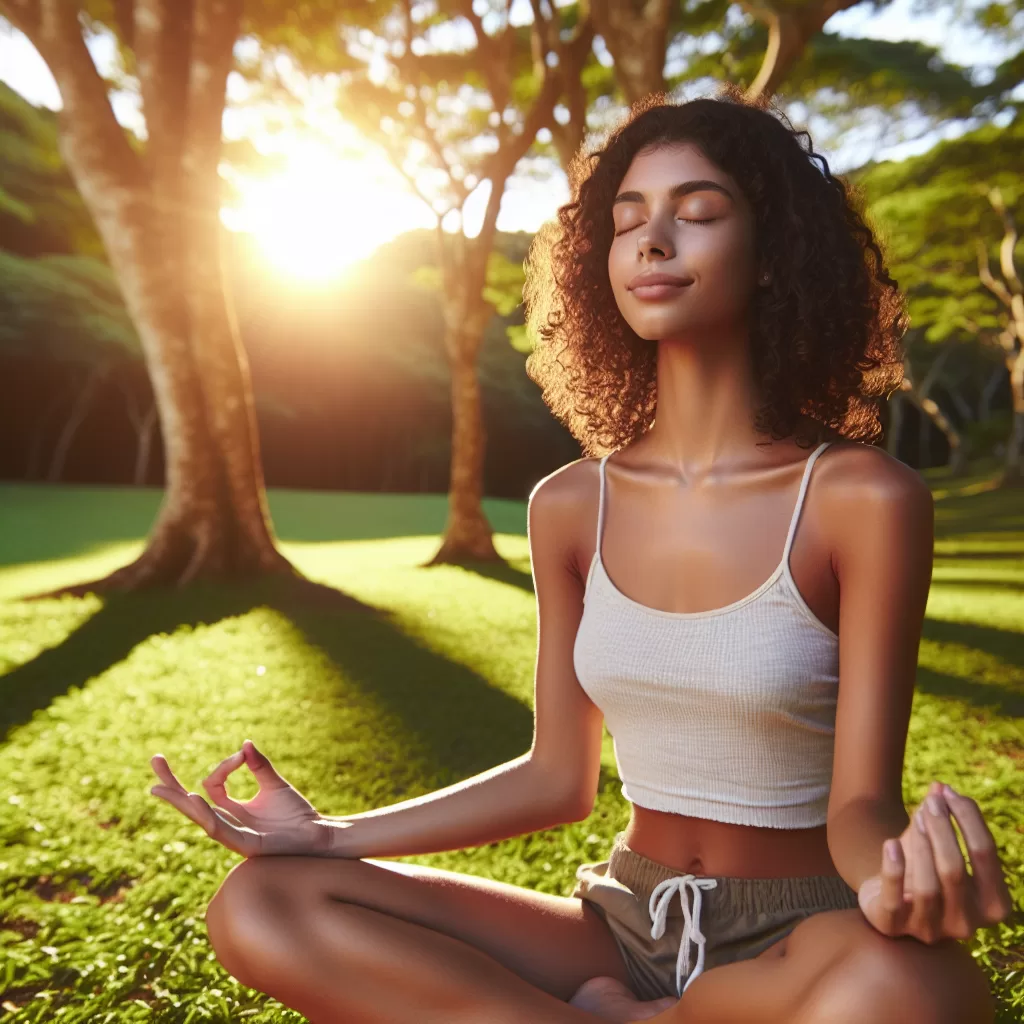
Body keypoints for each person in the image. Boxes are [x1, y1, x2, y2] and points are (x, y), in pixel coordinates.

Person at [149, 86, 1013, 1024]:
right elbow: (558, 776)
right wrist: (327, 835)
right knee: (266, 903)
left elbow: (859, 808)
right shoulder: (568, 506)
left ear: (773, 258)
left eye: (700, 214)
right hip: (622, 922)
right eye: (628, 219)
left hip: (803, 938)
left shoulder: (862, 499)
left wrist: (891, 879)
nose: (652, 241)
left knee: (915, 988)